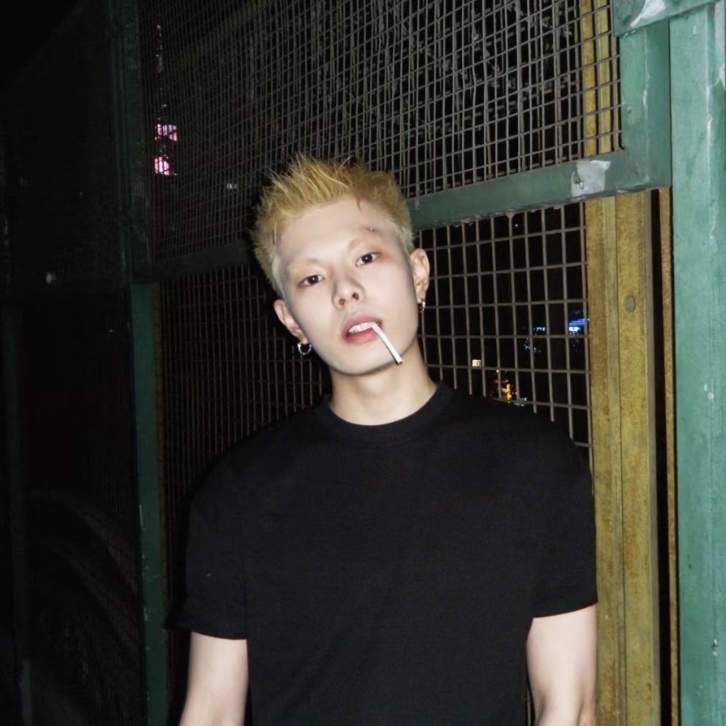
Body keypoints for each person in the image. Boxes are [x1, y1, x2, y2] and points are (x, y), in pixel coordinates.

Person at [177, 156, 597, 725]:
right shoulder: (239, 491)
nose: (346, 291)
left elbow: (569, 706)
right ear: (291, 319)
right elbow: (211, 709)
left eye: (367, 257)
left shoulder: (534, 461)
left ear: (418, 274)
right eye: (311, 278)